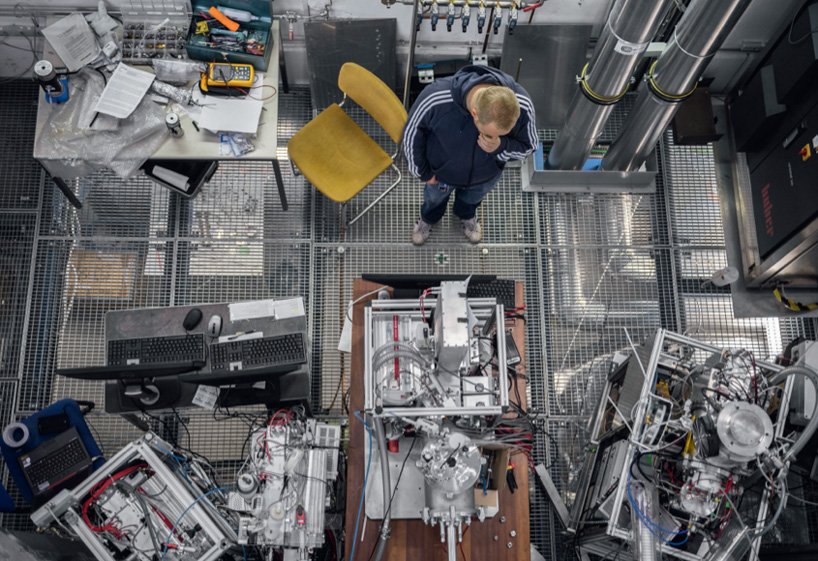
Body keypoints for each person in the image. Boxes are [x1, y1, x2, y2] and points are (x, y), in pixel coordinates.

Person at [403, 65, 537, 245]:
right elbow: (411, 136)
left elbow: (529, 146)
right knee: (433, 200)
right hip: (442, 175)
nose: (494, 139)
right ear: (475, 114)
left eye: (502, 134)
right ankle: (428, 219)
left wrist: (500, 146)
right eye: (490, 134)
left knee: (471, 201)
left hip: (485, 176)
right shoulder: (435, 98)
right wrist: (423, 173)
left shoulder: (521, 105)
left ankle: (466, 216)